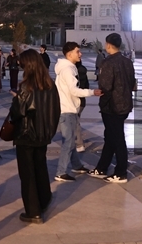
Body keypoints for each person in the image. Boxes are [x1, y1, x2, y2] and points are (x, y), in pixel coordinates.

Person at [9, 49, 61, 223]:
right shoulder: (50, 84)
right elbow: (55, 110)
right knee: (40, 166)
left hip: (26, 134)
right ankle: (44, 199)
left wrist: (16, 100)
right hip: (43, 134)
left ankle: (33, 211)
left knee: (27, 173)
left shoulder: (26, 86)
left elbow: (18, 112)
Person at [87, 33, 135, 184]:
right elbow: (132, 81)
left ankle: (121, 172)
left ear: (108, 45)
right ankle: (102, 167)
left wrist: (103, 99)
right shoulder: (128, 62)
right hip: (125, 104)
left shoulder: (108, 63)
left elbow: (106, 86)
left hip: (112, 106)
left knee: (118, 139)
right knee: (110, 137)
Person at [53, 42, 99, 182]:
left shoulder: (68, 68)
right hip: (67, 110)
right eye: (78, 51)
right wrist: (92, 92)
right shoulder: (68, 69)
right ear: (69, 54)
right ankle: (60, 172)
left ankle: (76, 165)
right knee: (68, 141)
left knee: (70, 140)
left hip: (68, 108)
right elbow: (73, 90)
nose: (80, 54)